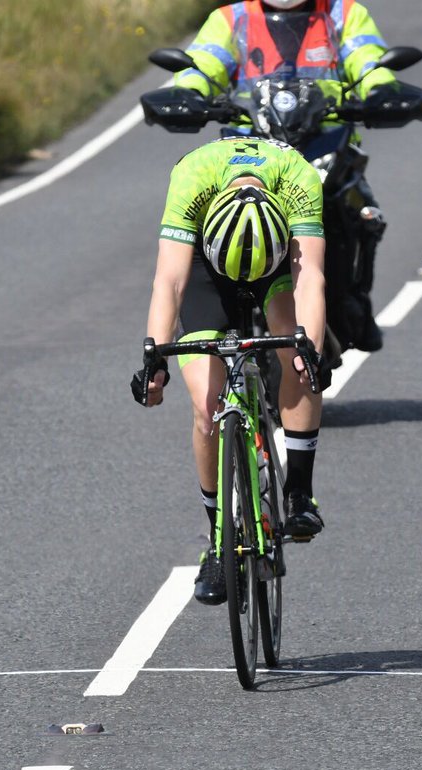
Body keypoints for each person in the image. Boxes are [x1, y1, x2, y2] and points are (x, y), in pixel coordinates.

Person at [132, 135, 327, 605]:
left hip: (277, 264)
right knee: (206, 406)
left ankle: (300, 492)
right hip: (206, 266)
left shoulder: (298, 178)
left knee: (296, 356)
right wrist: (154, 357)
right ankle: (218, 541)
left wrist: (310, 349)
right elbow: (171, 280)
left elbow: (312, 278)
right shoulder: (192, 178)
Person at [171, 0, 398, 353]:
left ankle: (355, 301)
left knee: (361, 211)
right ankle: (219, 311)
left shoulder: (344, 13)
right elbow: (203, 63)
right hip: (251, 147)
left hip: (324, 140)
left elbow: (367, 59)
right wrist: (188, 91)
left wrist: (380, 88)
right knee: (219, 219)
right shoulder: (230, 18)